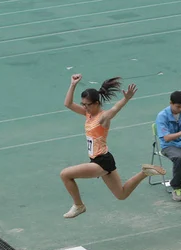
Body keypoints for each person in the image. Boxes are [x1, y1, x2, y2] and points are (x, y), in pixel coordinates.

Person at [60, 74, 166, 218]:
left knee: (65, 174)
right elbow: (68, 104)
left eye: (87, 104)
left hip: (101, 161)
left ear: (96, 103)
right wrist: (73, 84)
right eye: (83, 104)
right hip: (105, 159)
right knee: (121, 194)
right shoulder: (88, 114)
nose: (85, 107)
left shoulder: (102, 117)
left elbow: (115, 109)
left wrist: (126, 98)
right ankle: (144, 172)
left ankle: (79, 205)